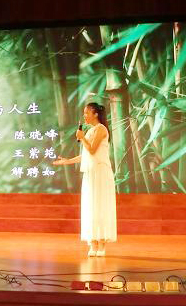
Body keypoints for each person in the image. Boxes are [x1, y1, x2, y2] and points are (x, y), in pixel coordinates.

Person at [53, 102, 117, 257]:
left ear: (96, 114)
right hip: (90, 172)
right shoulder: (90, 131)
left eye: (87, 113)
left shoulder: (101, 129)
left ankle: (102, 244)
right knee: (91, 207)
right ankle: (93, 243)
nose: (84, 116)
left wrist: (82, 138)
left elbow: (93, 150)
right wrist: (67, 161)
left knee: (101, 206)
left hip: (100, 172)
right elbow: (86, 154)